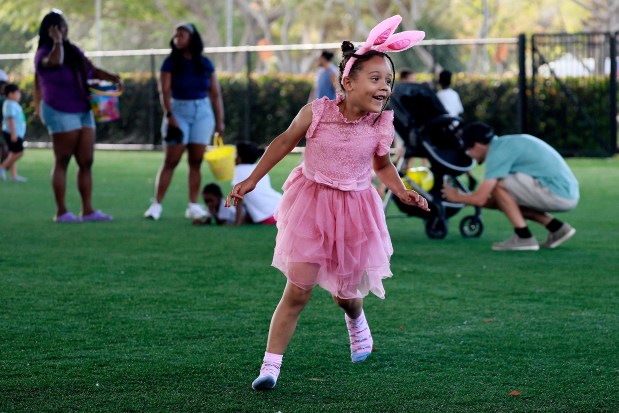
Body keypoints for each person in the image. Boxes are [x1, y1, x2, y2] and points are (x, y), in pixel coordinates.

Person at [226, 15, 428, 391]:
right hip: (311, 204)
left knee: (346, 295)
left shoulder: (380, 125)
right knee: (297, 290)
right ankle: (270, 366)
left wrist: (401, 191)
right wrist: (251, 179)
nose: (384, 87)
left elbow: (381, 164)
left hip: (355, 209)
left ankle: (356, 321)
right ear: (347, 82)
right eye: (375, 78)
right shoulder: (317, 112)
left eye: (388, 81)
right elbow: (284, 142)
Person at [34, 9, 121, 223]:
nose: (65, 29)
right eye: (61, 26)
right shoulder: (44, 53)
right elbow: (54, 62)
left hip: (83, 109)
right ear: (51, 29)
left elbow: (90, 70)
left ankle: (88, 210)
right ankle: (62, 211)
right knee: (62, 160)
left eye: (64, 26)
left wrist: (113, 78)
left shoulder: (74, 51)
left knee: (86, 161)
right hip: (60, 110)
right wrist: (57, 42)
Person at [442, 122, 579, 251]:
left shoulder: (497, 153)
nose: (468, 154)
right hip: (564, 192)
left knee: (498, 185)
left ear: (477, 145)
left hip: (558, 193)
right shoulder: (504, 144)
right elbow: (501, 202)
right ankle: (558, 229)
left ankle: (524, 237)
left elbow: (480, 199)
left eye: (467, 149)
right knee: (506, 199)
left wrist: (456, 196)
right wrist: (465, 199)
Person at [144, 23, 225, 221]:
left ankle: (192, 205)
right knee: (171, 160)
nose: (177, 38)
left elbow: (215, 94)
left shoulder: (205, 63)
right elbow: (164, 91)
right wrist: (169, 115)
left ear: (192, 38)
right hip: (178, 110)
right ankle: (156, 205)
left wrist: (220, 121)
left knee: (195, 161)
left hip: (203, 112)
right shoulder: (170, 62)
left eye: (182, 34)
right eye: (176, 35)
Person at [231, 141, 282, 226]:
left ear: (239, 158)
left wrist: (237, 222)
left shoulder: (239, 170)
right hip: (281, 205)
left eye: (236, 154)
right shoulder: (258, 168)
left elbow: (238, 198)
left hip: (268, 216)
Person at [1, 84, 27, 182]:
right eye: (17, 93)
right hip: (12, 132)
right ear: (10, 94)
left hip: (17, 133)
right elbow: (10, 119)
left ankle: (14, 176)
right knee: (19, 153)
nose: (19, 95)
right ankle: (2, 167)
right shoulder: (10, 104)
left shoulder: (13, 104)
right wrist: (13, 133)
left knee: (13, 153)